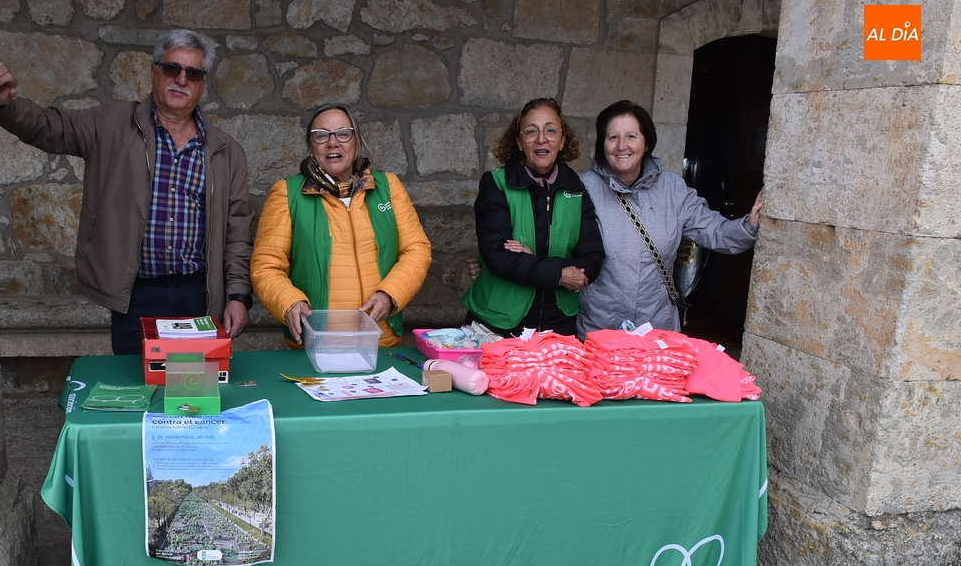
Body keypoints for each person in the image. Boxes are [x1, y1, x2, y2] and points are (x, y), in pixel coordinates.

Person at [0, 29, 254, 355]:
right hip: (135, 295)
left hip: (198, 293)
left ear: (203, 82)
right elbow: (47, 127)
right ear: (153, 70)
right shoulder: (111, 123)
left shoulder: (226, 151)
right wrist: (7, 107)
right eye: (172, 68)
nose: (181, 79)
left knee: (193, 395)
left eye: (193, 73)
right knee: (136, 392)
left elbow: (237, 234)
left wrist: (238, 296)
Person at [251, 104, 432, 348]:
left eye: (343, 133)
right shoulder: (286, 194)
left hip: (379, 341)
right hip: (316, 344)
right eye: (321, 135)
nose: (333, 142)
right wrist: (289, 302)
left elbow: (417, 249)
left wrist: (390, 294)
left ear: (356, 142)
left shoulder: (388, 187)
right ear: (310, 145)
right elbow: (266, 265)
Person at [577, 99, 762, 335]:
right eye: (613, 137)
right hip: (599, 329)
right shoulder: (583, 188)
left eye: (631, 136)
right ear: (602, 145)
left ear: (647, 143)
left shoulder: (672, 188)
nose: (622, 145)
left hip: (656, 329)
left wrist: (750, 225)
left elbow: (714, 231)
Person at [461, 97, 605, 337]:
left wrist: (534, 261)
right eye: (531, 132)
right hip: (498, 322)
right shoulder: (496, 183)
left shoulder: (576, 188)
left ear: (562, 140)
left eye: (550, 130)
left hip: (558, 324)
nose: (541, 139)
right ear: (519, 142)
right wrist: (560, 274)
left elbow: (593, 257)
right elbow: (498, 257)